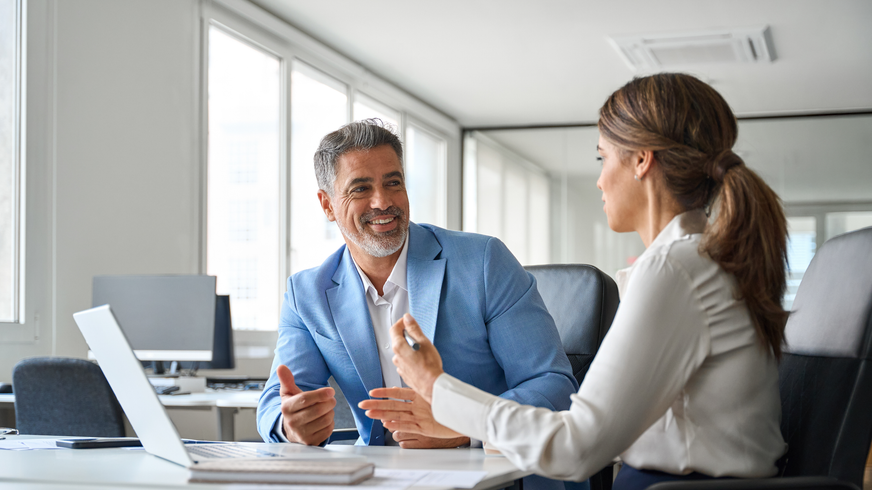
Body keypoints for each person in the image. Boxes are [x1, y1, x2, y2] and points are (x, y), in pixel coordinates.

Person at [368, 74, 789, 490]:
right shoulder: (700, 261)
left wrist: (437, 389)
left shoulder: (676, 269)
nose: (600, 180)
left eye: (602, 158)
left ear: (642, 160)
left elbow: (577, 447)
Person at [255, 119, 578, 489]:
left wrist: (461, 427)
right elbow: (274, 403)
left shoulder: (483, 262)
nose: (383, 201)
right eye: (361, 188)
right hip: (383, 479)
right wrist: (290, 424)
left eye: (393, 182)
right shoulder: (307, 293)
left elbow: (553, 384)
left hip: (496, 475)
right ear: (327, 205)